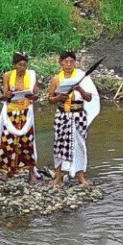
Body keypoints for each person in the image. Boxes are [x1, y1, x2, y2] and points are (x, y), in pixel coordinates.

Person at [47, 50, 100, 188]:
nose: (69, 64)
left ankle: (80, 177)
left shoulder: (82, 77)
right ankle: (58, 177)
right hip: (63, 115)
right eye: (66, 62)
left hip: (78, 115)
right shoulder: (56, 79)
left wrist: (79, 89)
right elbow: (50, 99)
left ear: (75, 63)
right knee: (59, 146)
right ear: (60, 63)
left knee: (80, 146)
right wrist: (58, 98)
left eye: (71, 62)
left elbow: (89, 98)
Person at [0, 51, 39, 182]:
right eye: (19, 65)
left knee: (27, 142)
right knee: (8, 142)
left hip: (26, 113)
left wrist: (32, 97)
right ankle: (7, 170)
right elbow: (4, 95)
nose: (22, 68)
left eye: (24, 65)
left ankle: (30, 172)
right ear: (14, 65)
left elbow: (36, 94)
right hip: (11, 113)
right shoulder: (8, 76)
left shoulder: (31, 75)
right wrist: (8, 95)